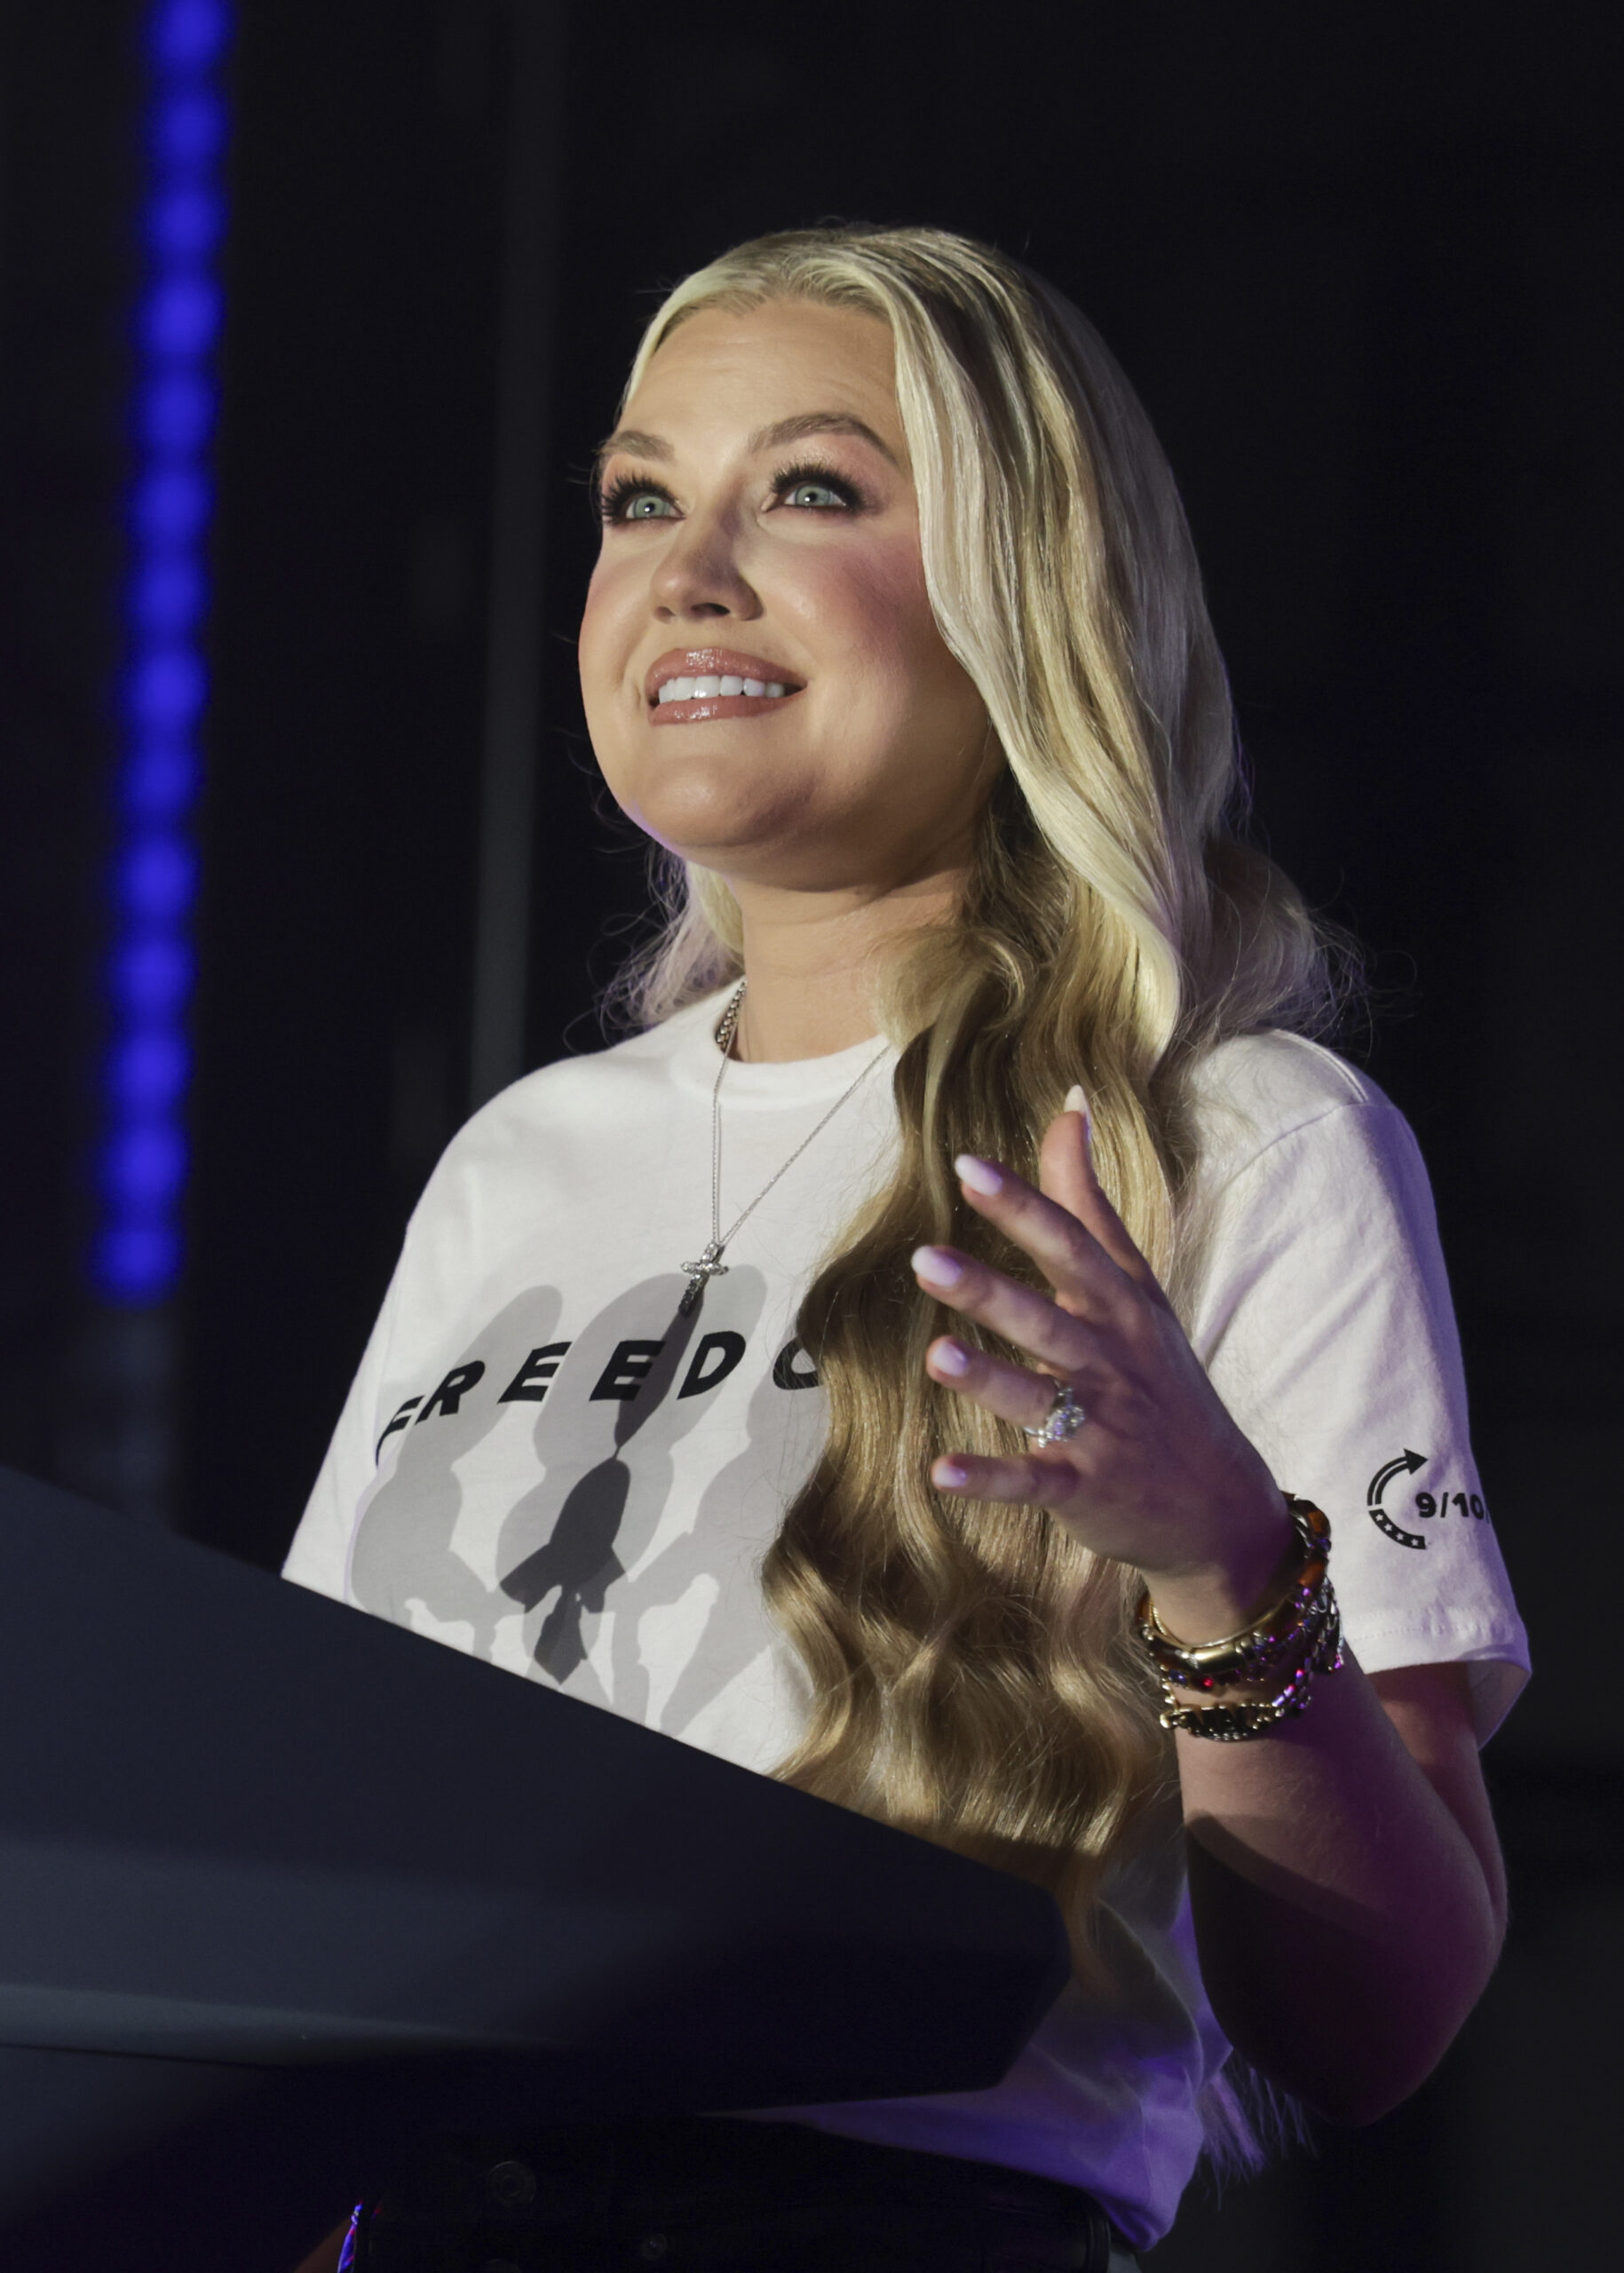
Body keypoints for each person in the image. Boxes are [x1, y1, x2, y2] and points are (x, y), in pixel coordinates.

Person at [283, 226, 1528, 2271]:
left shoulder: (1232, 1139)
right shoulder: (522, 1164)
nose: (689, 566)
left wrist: (1223, 1560)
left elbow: (1382, 2014)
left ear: (1025, 586)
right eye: (638, 498)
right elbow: (305, 1822)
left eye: (813, 489)